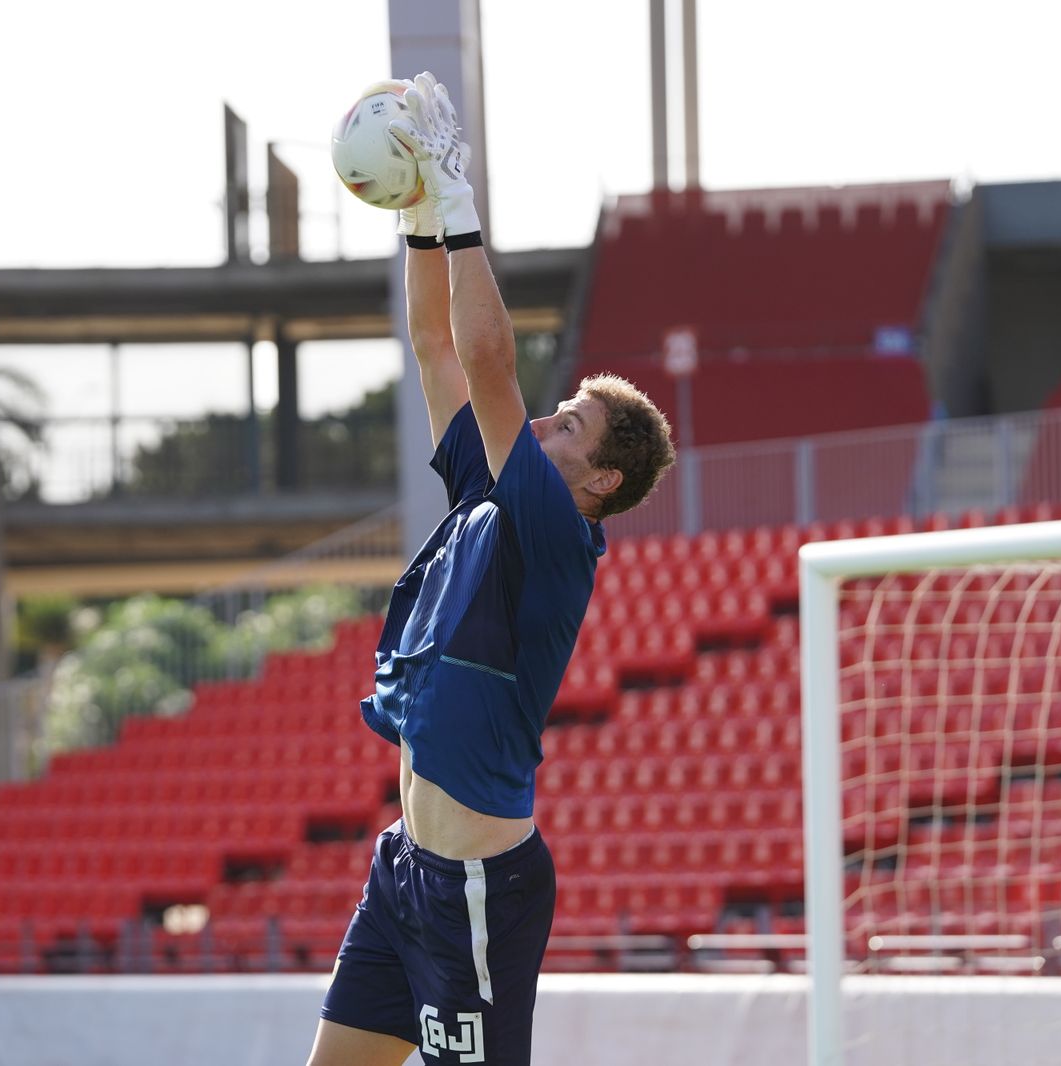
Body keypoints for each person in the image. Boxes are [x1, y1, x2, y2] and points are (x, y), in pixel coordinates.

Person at [307, 72, 675, 1066]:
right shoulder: (490, 491)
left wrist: (459, 198)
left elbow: (486, 362)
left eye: (572, 425)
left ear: (602, 479)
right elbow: (437, 345)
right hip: (408, 870)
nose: (546, 420)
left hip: (477, 886)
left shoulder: (555, 528)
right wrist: (420, 218)